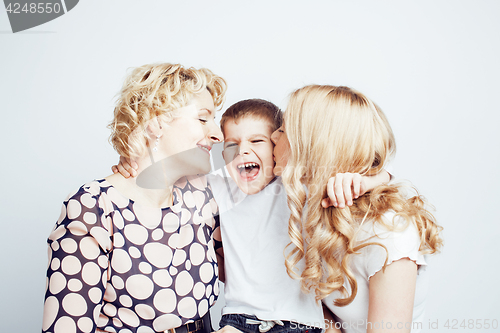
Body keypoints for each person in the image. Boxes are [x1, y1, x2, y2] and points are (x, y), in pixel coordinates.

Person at [114, 98, 391, 333]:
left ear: (277, 148)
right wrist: (133, 160)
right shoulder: (218, 188)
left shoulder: (298, 187)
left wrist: (372, 179)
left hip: (301, 324)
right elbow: (163, 175)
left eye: (257, 141)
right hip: (238, 322)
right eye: (232, 144)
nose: (243, 150)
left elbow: (383, 178)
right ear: (222, 154)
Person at [42, 63, 227, 333]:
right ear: (156, 120)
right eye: (202, 118)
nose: (217, 134)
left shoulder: (202, 195)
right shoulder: (94, 207)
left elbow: (251, 275)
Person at [270, 85, 443, 333]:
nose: (274, 137)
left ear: (314, 145)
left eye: (284, 129)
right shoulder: (316, 210)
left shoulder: (387, 233)